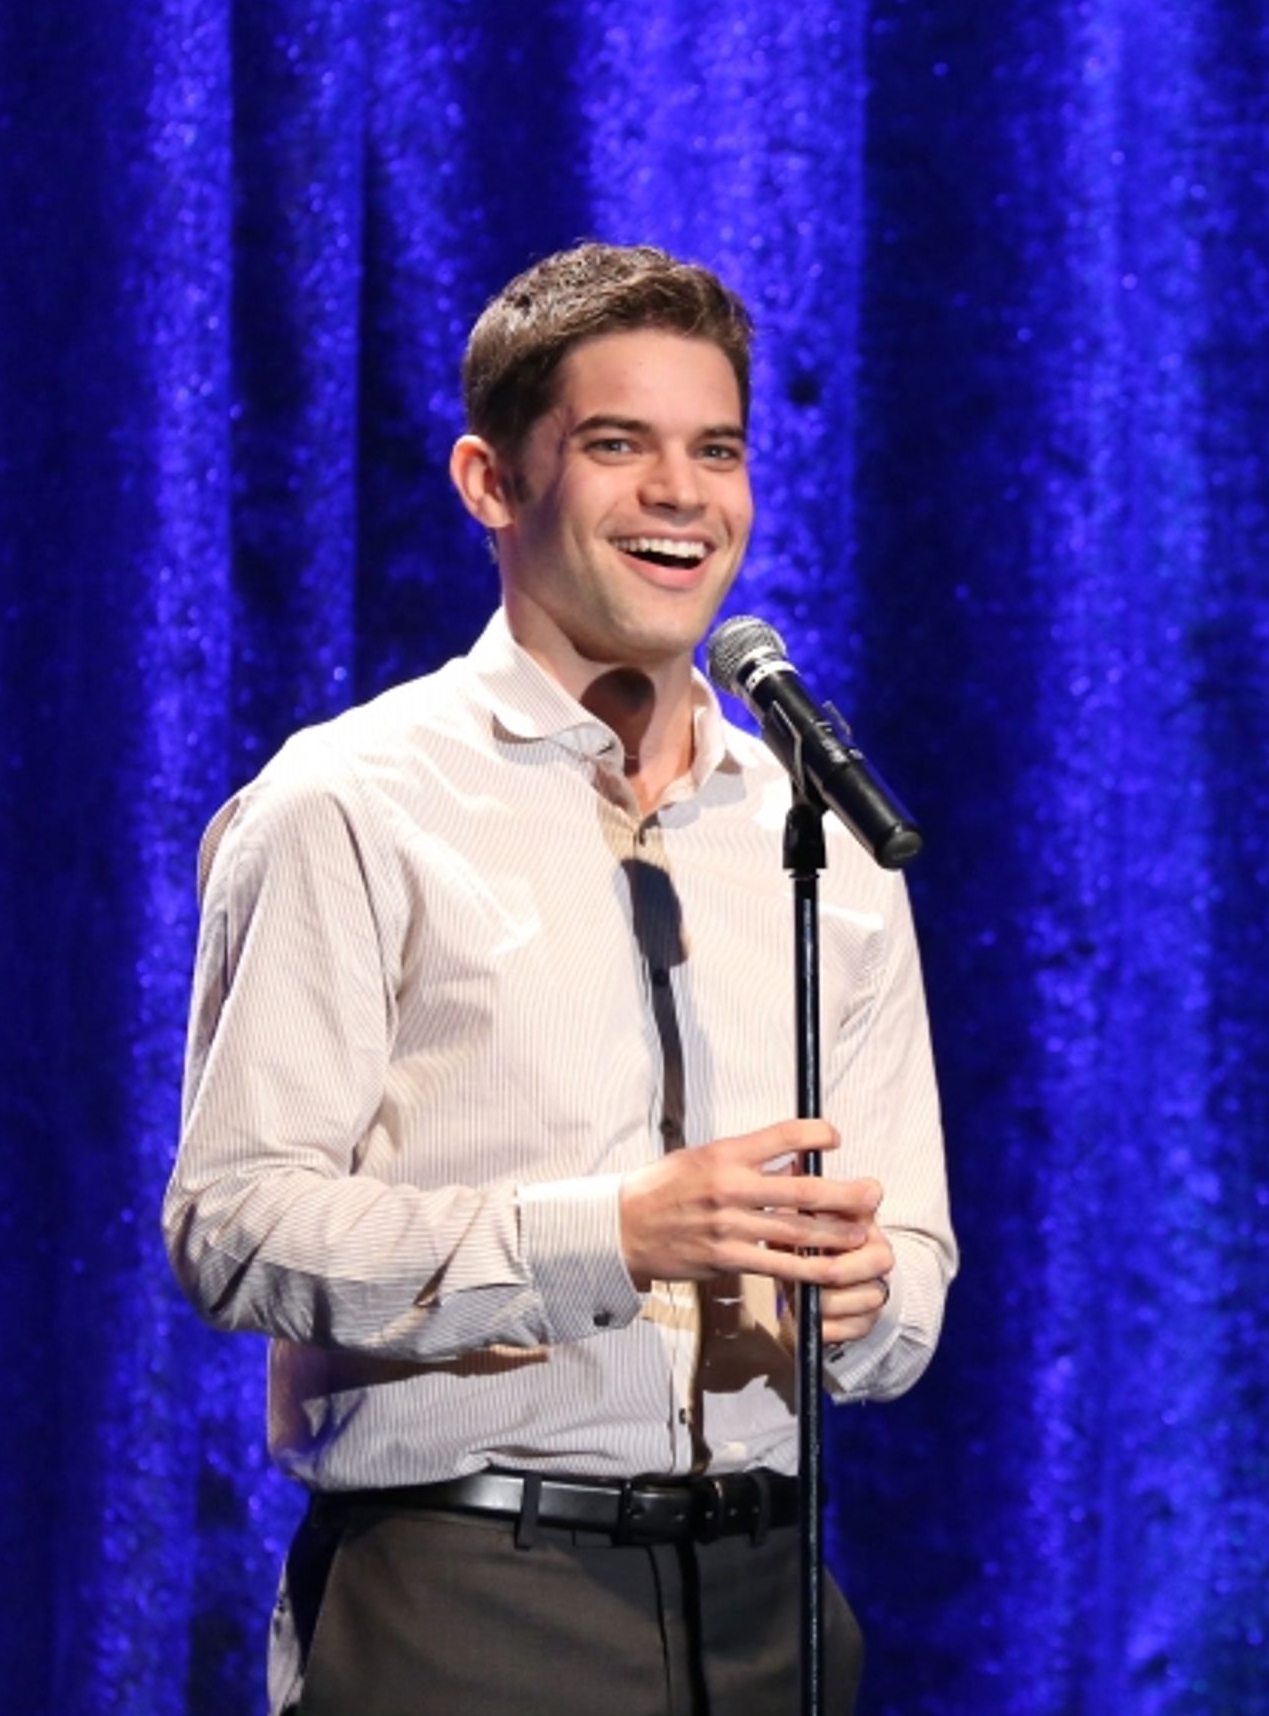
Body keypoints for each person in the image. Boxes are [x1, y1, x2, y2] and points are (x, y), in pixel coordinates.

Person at [163, 242, 956, 1716]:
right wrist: (618, 1232)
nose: (682, 494)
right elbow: (235, 1223)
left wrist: (866, 1297)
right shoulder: (349, 802)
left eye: (715, 449)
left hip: (774, 1606)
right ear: (490, 482)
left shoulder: (824, 838)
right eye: (618, 445)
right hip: (472, 1598)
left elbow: (909, 1277)